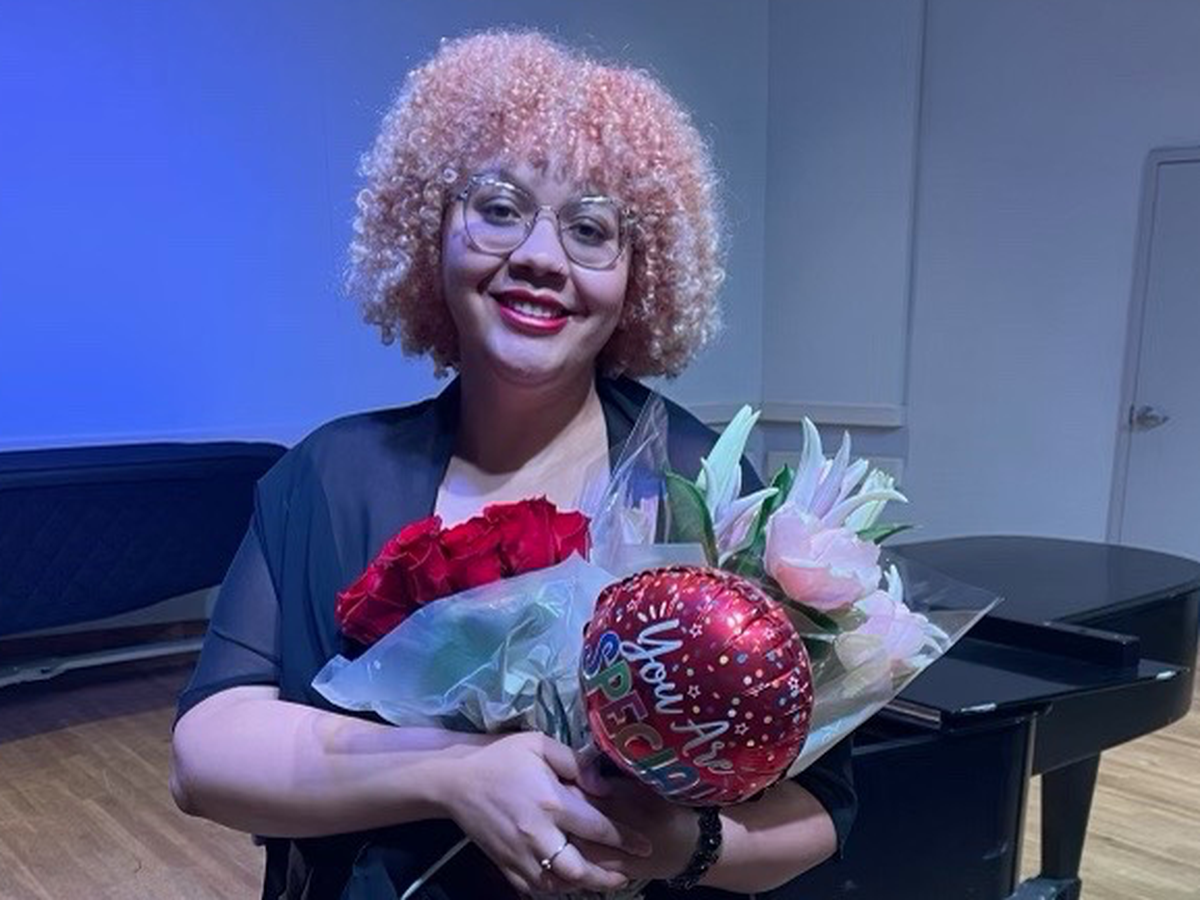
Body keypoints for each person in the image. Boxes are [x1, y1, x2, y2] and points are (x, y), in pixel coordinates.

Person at [170, 30, 855, 900]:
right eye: (499, 208)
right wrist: (454, 772)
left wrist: (678, 844)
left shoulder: (702, 489)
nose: (539, 255)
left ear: (639, 275)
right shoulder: (329, 478)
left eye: (590, 228)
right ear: (429, 230)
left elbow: (821, 807)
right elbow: (205, 756)